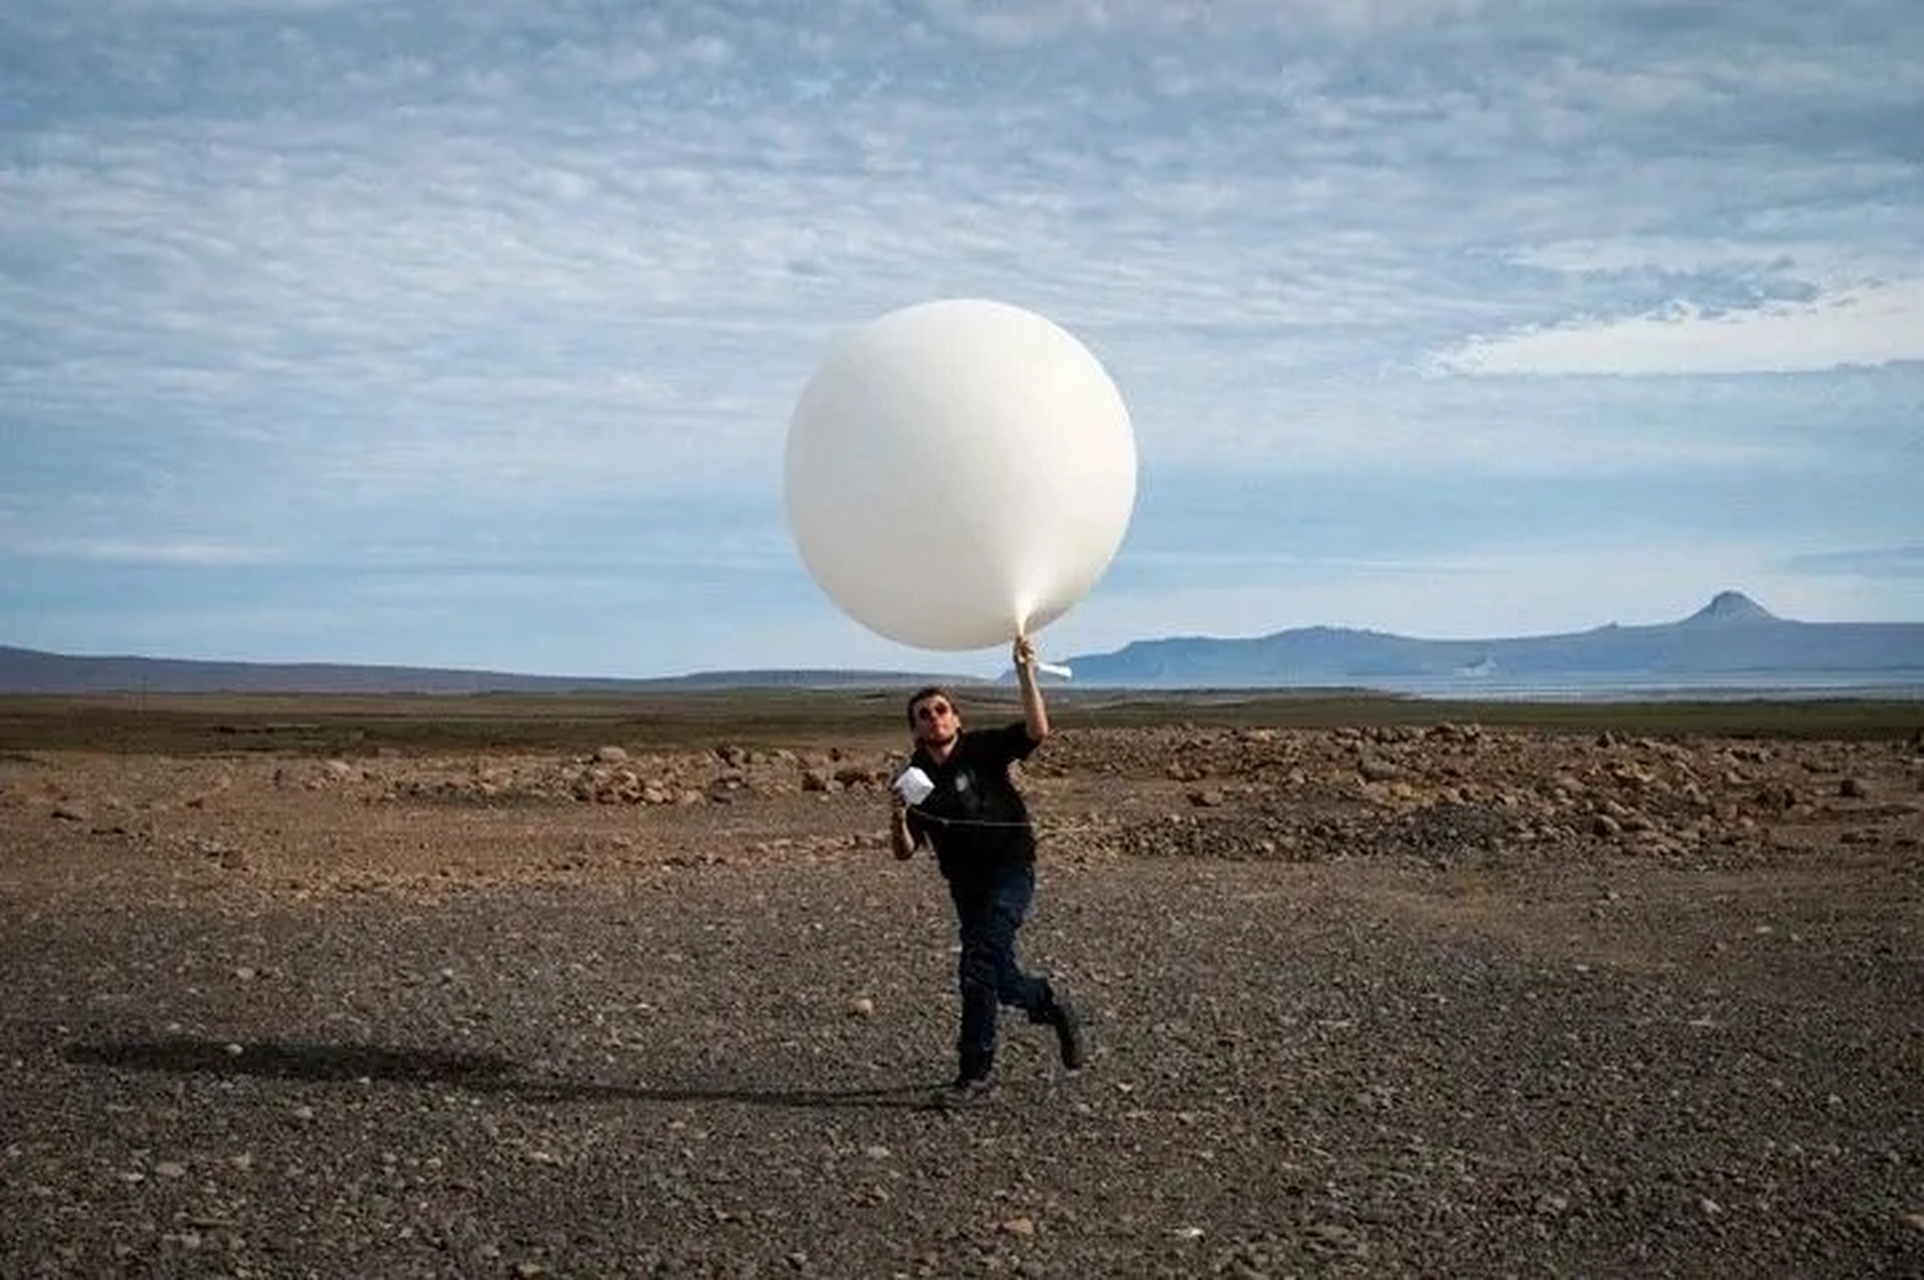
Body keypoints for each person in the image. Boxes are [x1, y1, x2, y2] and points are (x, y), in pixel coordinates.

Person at [889, 635, 1086, 1104]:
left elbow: (1037, 731)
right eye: (924, 714)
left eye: (941, 709)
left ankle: (975, 1074)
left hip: (1010, 870)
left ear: (957, 718)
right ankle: (1047, 1003)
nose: (933, 717)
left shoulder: (984, 749)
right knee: (998, 971)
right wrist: (896, 816)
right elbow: (905, 850)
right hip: (965, 884)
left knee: (976, 967)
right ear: (915, 730)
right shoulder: (914, 781)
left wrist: (1025, 674)